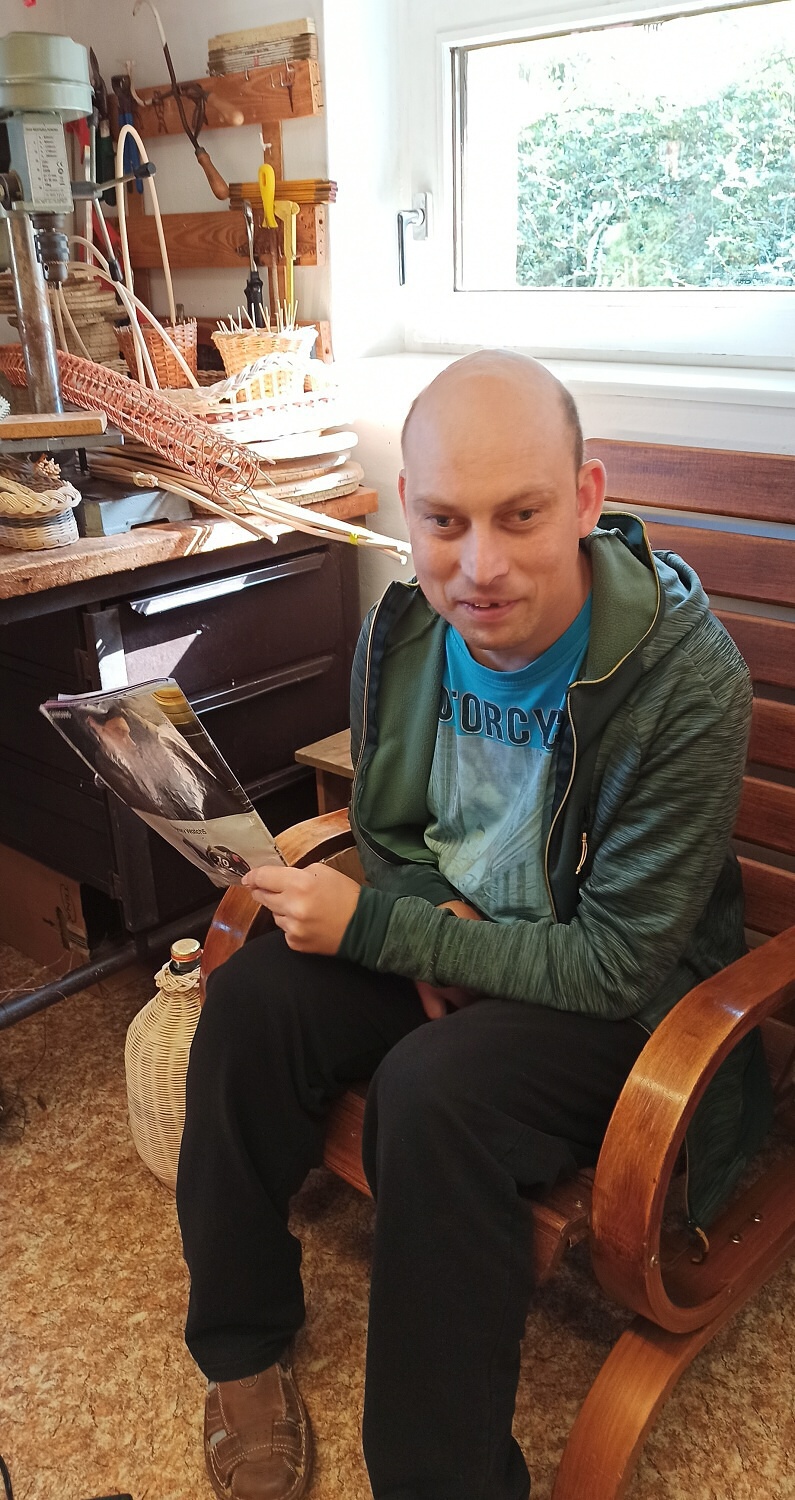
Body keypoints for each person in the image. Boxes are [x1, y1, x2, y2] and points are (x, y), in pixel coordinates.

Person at [176, 351, 773, 1500]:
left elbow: (617, 964)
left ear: (587, 500)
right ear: (409, 506)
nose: (479, 566)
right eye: (445, 521)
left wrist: (389, 933)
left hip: (618, 994)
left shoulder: (686, 681)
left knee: (436, 1095)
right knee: (252, 996)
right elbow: (390, 834)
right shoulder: (403, 630)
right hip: (461, 934)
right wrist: (414, 911)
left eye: (522, 516)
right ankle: (239, 1343)